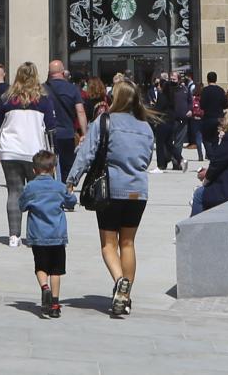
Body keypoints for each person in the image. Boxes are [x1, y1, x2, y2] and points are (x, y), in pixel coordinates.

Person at [70, 80, 155, 318]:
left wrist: (72, 179)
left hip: (111, 189)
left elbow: (87, 152)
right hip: (138, 190)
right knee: (128, 243)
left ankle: (120, 282)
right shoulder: (145, 127)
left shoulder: (105, 120)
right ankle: (125, 297)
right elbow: (147, 159)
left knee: (109, 245)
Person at [0, 63, 56, 246]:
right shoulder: (43, 100)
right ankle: (35, 235)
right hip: (34, 152)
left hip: (10, 151)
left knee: (14, 192)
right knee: (36, 194)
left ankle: (14, 236)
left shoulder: (7, 99)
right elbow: (51, 128)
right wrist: (53, 152)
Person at [19, 151, 74, 319]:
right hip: (57, 235)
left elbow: (22, 205)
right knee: (56, 270)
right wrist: (70, 194)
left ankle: (44, 288)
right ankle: (55, 304)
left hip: (38, 235)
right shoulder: (59, 187)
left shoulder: (30, 187)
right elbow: (71, 202)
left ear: (34, 170)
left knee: (41, 266)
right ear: (53, 169)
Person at [43, 60, 86, 185]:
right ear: (63, 72)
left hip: (47, 134)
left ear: (49, 73)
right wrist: (84, 133)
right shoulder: (72, 89)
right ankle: (66, 191)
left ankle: (51, 190)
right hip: (67, 133)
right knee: (67, 166)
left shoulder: (42, 88)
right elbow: (80, 111)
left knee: (48, 165)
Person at [196, 72, 228, 160]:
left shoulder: (205, 90)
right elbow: (225, 105)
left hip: (208, 117)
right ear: (216, 79)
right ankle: (215, 154)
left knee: (206, 138)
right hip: (218, 117)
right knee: (215, 139)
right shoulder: (220, 90)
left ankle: (210, 155)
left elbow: (202, 105)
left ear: (207, 79)